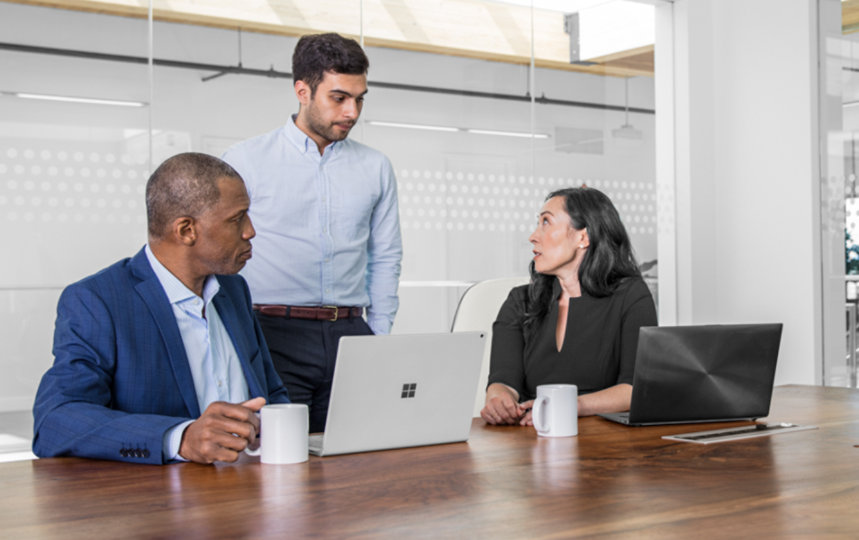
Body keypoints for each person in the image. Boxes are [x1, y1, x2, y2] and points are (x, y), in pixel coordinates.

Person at [32, 152, 290, 464]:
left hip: (251, 488)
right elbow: (55, 421)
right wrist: (180, 438)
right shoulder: (97, 301)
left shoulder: (233, 291)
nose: (250, 231)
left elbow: (272, 394)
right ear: (186, 230)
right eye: (237, 219)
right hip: (158, 502)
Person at [222, 33, 402, 433]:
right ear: (302, 91)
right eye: (339, 98)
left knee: (356, 461)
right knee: (279, 464)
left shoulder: (375, 167)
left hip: (353, 335)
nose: (352, 111)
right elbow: (221, 255)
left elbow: (386, 255)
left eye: (360, 98)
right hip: (271, 335)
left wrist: (379, 333)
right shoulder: (245, 161)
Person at [481, 187, 657, 426]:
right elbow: (504, 380)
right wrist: (499, 398)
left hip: (606, 443)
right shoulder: (519, 301)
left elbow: (633, 389)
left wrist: (572, 405)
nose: (533, 236)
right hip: (533, 440)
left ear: (582, 238)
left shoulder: (631, 296)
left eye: (546, 222)